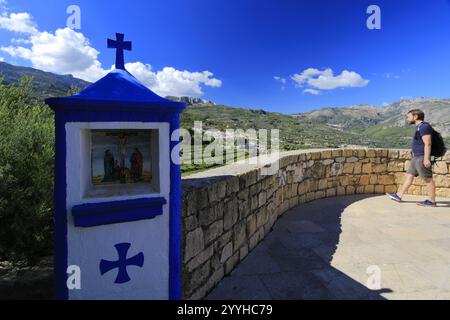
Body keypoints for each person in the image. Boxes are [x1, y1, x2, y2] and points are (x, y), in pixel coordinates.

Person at [386, 109, 436, 207]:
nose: (407, 119)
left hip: (422, 157)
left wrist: (426, 159)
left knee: (428, 179)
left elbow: (428, 143)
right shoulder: (419, 127)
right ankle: (399, 195)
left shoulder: (424, 127)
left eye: (409, 117)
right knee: (409, 176)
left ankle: (432, 201)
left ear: (416, 116)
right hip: (416, 157)